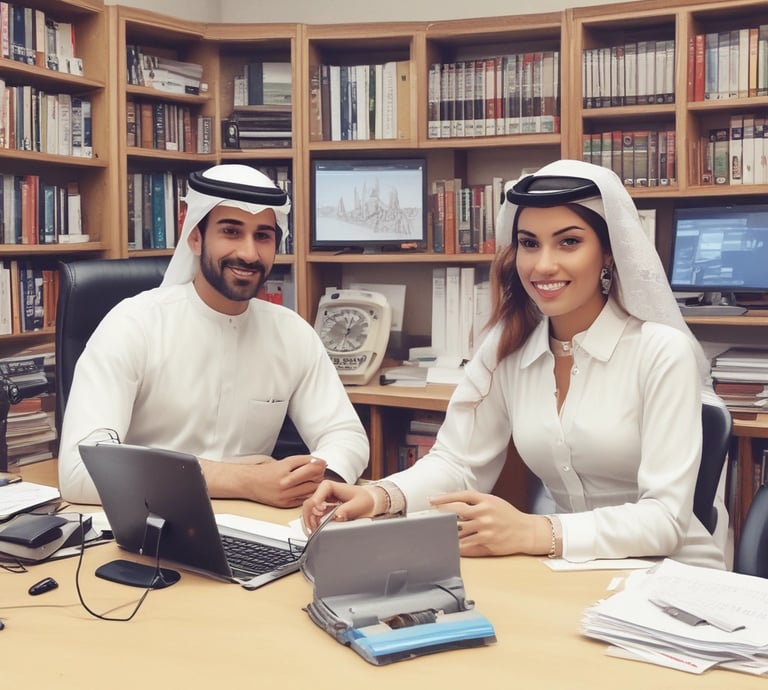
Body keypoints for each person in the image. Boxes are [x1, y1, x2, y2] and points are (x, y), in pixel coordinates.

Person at [304, 158, 728, 570]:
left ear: (609, 254)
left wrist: (533, 532)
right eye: (529, 243)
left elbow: (665, 520)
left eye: (569, 241)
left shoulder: (661, 352)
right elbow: (458, 462)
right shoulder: (507, 347)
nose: (543, 265)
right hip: (568, 572)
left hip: (674, 578)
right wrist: (380, 497)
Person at [59, 164, 369, 507]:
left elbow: (346, 436)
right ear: (194, 235)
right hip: (154, 526)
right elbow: (78, 470)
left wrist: (312, 482)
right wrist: (245, 480)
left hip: (260, 527)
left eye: (263, 236)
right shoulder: (133, 325)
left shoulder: (291, 333)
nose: (250, 254)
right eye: (231, 232)